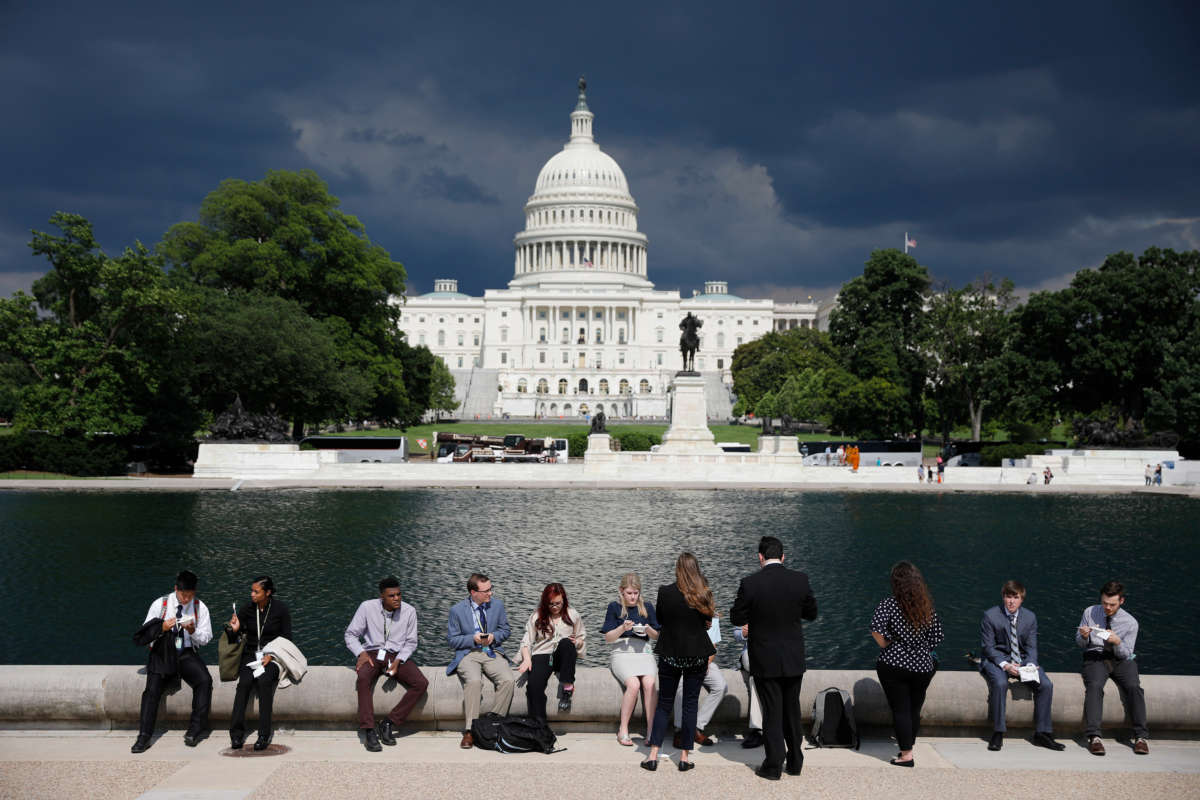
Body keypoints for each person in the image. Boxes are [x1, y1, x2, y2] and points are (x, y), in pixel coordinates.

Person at [730, 536, 818, 780]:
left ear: (760, 557)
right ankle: (795, 760)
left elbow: (736, 617)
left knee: (771, 712)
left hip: (765, 657)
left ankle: (773, 764)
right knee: (791, 709)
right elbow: (812, 612)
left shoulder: (750, 583)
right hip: (793, 656)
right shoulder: (800, 580)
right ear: (783, 556)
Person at [642, 553, 716, 773]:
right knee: (690, 704)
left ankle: (653, 755)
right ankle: (684, 757)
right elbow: (708, 623)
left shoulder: (665, 592)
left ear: (678, 569)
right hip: (696, 654)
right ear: (696, 569)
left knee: (664, 704)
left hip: (671, 653)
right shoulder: (703, 593)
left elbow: (662, 620)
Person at [870, 561, 943, 767]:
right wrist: (919, 649)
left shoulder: (889, 604)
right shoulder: (926, 607)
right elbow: (937, 637)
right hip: (922, 666)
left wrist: (887, 644)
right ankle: (908, 742)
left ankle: (906, 755)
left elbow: (876, 630)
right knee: (914, 707)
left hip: (894, 663)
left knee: (900, 708)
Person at [131, 570, 213, 753]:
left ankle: (195, 729)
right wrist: (162, 627)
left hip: (185, 652)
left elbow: (206, 638)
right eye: (184, 595)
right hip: (161, 653)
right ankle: (144, 736)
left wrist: (192, 631)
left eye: (190, 596)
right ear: (176, 589)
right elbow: (143, 635)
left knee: (205, 681)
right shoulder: (160, 604)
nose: (186, 600)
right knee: (152, 691)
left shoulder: (200, 607)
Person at [343, 576, 428, 752]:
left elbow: (411, 642)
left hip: (396, 654)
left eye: (399, 594)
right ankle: (369, 729)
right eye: (392, 596)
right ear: (382, 597)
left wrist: (398, 661)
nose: (397, 598)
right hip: (372, 653)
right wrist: (361, 653)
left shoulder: (409, 611)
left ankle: (389, 723)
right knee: (363, 679)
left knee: (421, 683)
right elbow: (350, 634)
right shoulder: (367, 607)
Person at [979, 581, 1064, 751]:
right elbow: (987, 647)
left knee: (1046, 685)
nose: (1011, 601)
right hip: (998, 660)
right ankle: (998, 732)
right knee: (1000, 683)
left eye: (1015, 597)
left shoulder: (1030, 617)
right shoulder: (990, 616)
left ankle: (1042, 733)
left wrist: (1030, 665)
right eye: (1008, 597)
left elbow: (1032, 647)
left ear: (1021, 599)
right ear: (1003, 597)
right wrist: (1005, 665)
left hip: (1023, 661)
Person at [1076, 581, 1149, 755]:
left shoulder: (1130, 623)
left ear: (1121, 601)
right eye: (1104, 603)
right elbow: (1080, 643)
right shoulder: (1090, 612)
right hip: (1096, 656)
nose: (1107, 607)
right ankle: (1094, 737)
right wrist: (1084, 636)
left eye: (1112, 604)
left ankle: (1141, 737)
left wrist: (1117, 643)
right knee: (1094, 686)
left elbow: (1127, 653)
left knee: (1134, 687)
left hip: (1120, 658)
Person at [447, 572, 514, 749]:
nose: (490, 594)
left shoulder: (497, 605)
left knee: (508, 680)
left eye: (491, 589)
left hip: (491, 651)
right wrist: (473, 639)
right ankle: (470, 730)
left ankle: (494, 723)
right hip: (469, 653)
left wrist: (494, 636)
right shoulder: (457, 610)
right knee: (475, 682)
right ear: (473, 592)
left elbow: (506, 631)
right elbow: (452, 640)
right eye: (486, 591)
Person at [227, 575, 292, 751]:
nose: (252, 594)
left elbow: (287, 638)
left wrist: (271, 655)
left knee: (264, 683)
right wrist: (233, 629)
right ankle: (236, 734)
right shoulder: (247, 609)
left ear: (268, 592)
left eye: (256, 591)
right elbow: (233, 636)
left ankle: (263, 734)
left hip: (272, 656)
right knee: (244, 684)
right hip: (251, 656)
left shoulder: (280, 609)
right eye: (252, 591)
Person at [600, 572, 660, 746]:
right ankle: (623, 730)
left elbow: (657, 636)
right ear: (621, 591)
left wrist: (648, 629)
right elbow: (608, 638)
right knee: (633, 684)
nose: (633, 597)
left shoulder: (647, 607)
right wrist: (621, 628)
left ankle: (651, 732)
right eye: (629, 593)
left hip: (644, 652)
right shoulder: (614, 607)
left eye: (636, 593)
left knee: (649, 684)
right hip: (622, 652)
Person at [516, 582, 586, 722]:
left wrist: (577, 642)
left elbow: (581, 637)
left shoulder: (573, 615)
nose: (555, 607)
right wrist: (527, 659)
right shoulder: (536, 616)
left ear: (564, 601)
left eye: (558, 603)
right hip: (542, 654)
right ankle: (539, 723)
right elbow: (526, 641)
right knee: (534, 687)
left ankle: (567, 688)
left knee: (567, 643)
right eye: (551, 604)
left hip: (562, 656)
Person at [672, 622, 726, 749]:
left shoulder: (712, 618)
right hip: (683, 661)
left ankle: (697, 727)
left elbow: (713, 647)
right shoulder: (683, 614)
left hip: (705, 661)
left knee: (721, 686)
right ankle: (680, 730)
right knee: (680, 687)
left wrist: (706, 663)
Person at [733, 622, 764, 748]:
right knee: (755, 675)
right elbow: (736, 634)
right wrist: (744, 633)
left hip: (774, 649)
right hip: (752, 650)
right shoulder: (747, 607)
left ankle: (761, 729)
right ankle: (758, 729)